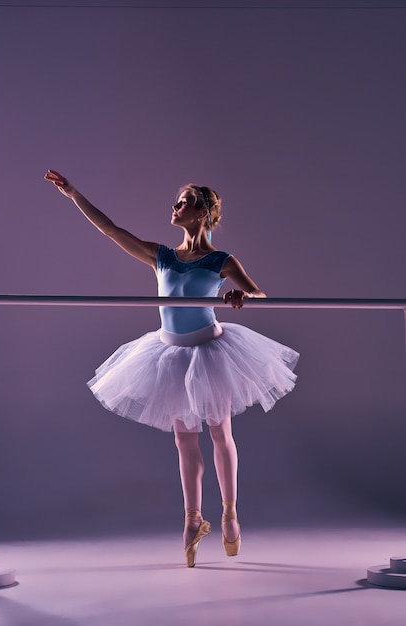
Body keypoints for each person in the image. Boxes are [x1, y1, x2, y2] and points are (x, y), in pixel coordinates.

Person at [44, 169, 299, 567]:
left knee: (219, 432)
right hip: (169, 354)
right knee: (184, 440)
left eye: (183, 201)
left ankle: (230, 512)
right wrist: (75, 194)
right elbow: (112, 230)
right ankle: (193, 519)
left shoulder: (220, 260)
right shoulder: (161, 255)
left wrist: (240, 294)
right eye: (175, 201)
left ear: (204, 212)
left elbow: (258, 293)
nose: (175, 206)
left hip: (211, 352)